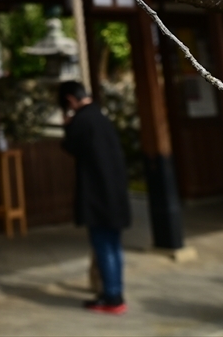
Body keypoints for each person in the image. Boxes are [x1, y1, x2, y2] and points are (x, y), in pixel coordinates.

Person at [59, 80, 131, 315]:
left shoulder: (82, 121)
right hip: (115, 194)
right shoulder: (100, 117)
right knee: (114, 246)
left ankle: (112, 297)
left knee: (103, 246)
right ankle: (114, 291)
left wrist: (67, 125)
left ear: (70, 100)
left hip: (98, 197)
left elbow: (71, 146)